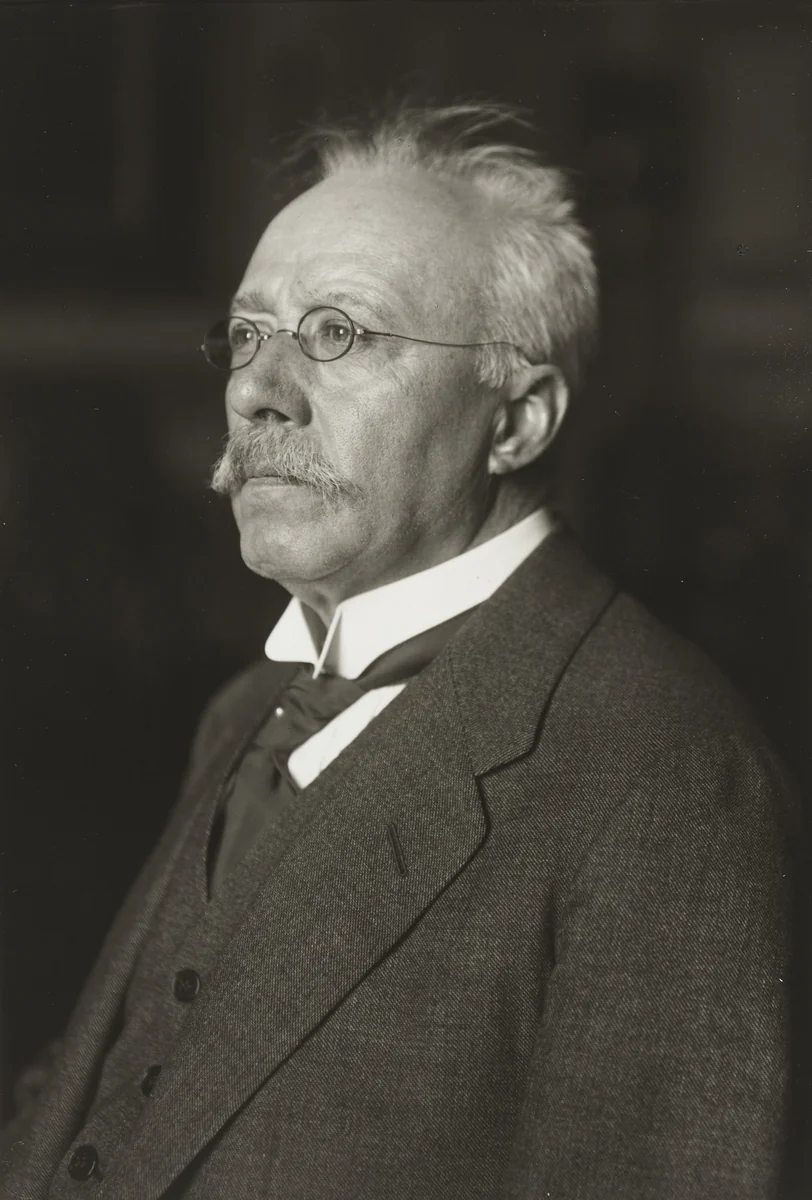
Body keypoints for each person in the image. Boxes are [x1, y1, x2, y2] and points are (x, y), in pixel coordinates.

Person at [2, 102, 808, 1200]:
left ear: (516, 420)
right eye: (247, 333)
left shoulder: (665, 775)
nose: (254, 389)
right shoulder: (248, 707)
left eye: (337, 333)